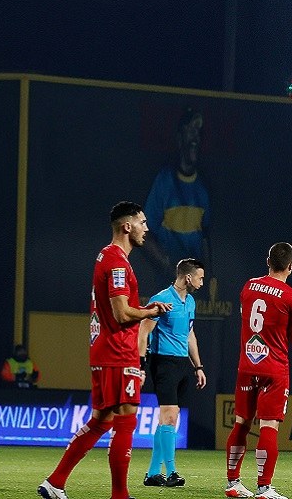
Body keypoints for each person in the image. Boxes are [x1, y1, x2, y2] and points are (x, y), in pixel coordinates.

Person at [38, 201, 171, 499]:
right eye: (142, 223)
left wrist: (144, 309)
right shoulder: (117, 263)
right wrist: (149, 311)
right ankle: (119, 495)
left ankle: (55, 482)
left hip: (104, 351)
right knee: (126, 419)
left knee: (101, 420)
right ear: (127, 226)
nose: (146, 228)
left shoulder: (107, 256)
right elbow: (122, 314)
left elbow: (118, 309)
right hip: (117, 351)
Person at [225, 242, 292, 499]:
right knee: (268, 426)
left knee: (241, 423)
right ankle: (264, 487)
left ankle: (233, 482)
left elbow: (255, 319)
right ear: (290, 267)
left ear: (267, 262)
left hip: (247, 365)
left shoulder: (248, 286)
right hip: (274, 369)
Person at [139, 258, 207, 488]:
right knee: (170, 415)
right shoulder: (161, 299)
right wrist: (141, 365)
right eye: (200, 278)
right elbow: (143, 332)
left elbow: (189, 335)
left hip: (181, 363)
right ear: (188, 277)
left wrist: (198, 366)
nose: (202, 282)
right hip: (163, 362)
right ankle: (172, 472)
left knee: (167, 418)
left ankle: (152, 473)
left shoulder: (190, 302)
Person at [142, 108, 212, 288]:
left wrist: (207, 278)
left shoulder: (204, 186)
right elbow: (145, 233)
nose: (194, 137)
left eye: (197, 132)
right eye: (190, 131)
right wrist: (168, 267)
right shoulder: (165, 181)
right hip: (168, 287)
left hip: (193, 289)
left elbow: (205, 237)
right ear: (180, 139)